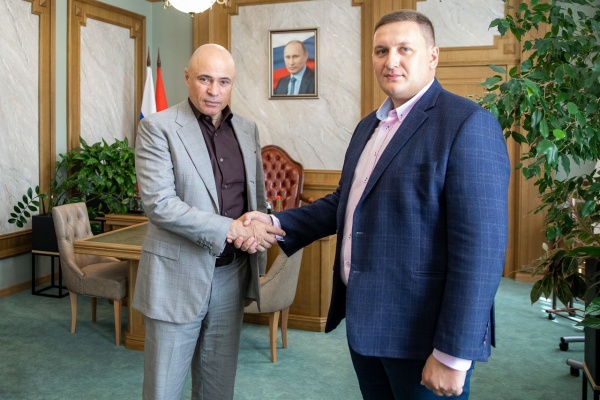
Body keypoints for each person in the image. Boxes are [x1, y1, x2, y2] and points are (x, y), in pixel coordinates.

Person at [238, 10, 510, 400]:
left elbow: (481, 251)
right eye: (381, 51)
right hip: (365, 325)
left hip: (422, 335)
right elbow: (345, 203)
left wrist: (454, 354)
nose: (390, 60)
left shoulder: (467, 124)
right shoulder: (370, 126)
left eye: (404, 49)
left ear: (432, 56)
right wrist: (275, 223)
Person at [134, 43, 284, 400]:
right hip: (177, 276)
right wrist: (229, 228)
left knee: (218, 389)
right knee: (163, 391)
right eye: (204, 79)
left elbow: (254, 196)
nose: (214, 91)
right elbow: (160, 204)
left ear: (232, 84)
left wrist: (259, 226)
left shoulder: (247, 129)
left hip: (232, 275)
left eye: (223, 81)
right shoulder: (157, 127)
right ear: (187, 78)